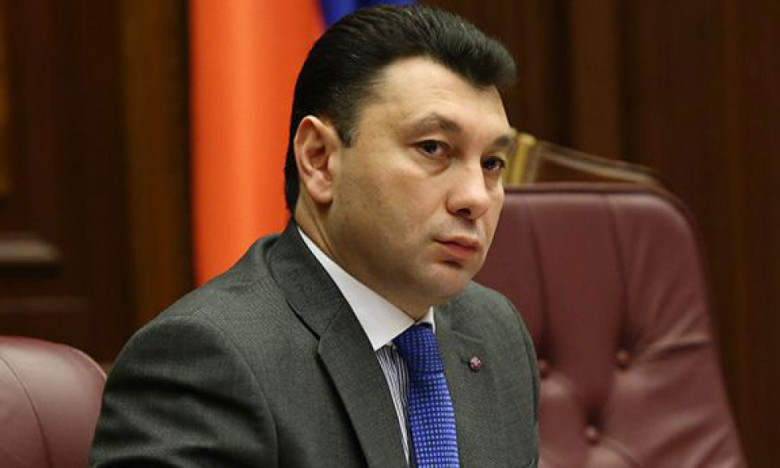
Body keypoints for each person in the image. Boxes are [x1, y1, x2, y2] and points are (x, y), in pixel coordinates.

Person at [90, 5, 539, 467]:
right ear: (320, 159)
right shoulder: (207, 360)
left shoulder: (494, 332)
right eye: (433, 149)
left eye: (492, 164)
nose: (475, 197)